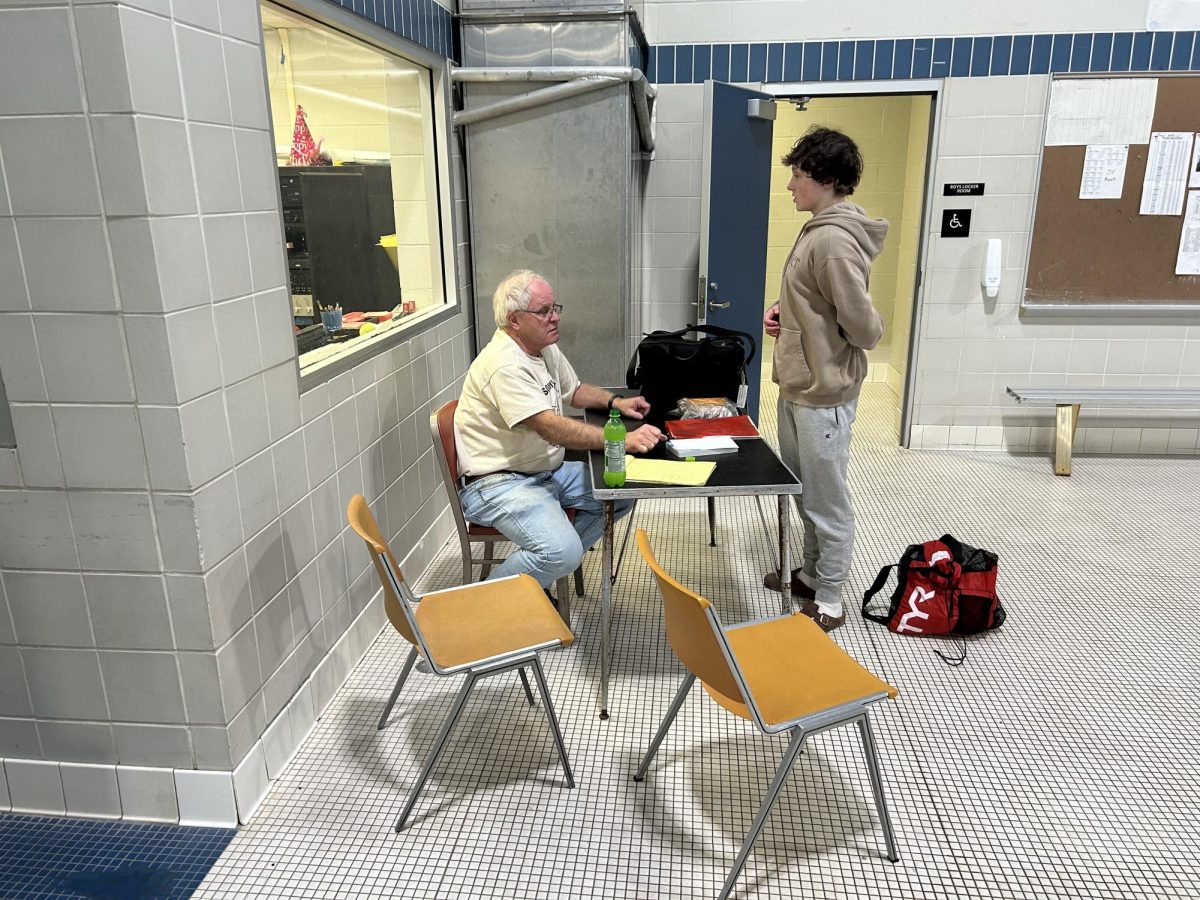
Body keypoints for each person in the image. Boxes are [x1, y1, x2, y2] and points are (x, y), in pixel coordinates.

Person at [454, 270, 664, 594]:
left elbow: (574, 390)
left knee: (620, 493)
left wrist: (615, 402)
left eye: (555, 308)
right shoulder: (505, 364)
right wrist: (623, 439)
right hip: (497, 481)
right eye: (544, 311)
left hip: (541, 471)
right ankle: (483, 605)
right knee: (561, 552)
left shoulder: (541, 346)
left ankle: (541, 577)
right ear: (514, 320)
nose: (555, 318)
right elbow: (550, 427)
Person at [762, 126, 887, 632]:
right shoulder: (819, 229)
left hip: (823, 393)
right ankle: (810, 575)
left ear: (827, 179)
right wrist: (784, 314)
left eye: (797, 176)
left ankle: (830, 597)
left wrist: (826, 337)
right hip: (801, 384)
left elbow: (864, 326)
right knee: (802, 488)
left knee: (825, 497)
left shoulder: (834, 240)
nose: (790, 185)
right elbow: (815, 301)